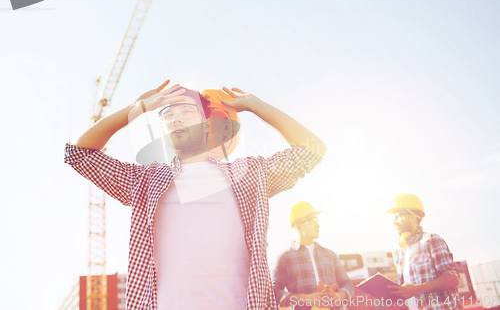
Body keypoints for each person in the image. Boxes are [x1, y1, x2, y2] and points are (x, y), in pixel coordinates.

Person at [64, 80, 326, 310]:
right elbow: (79, 154)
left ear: (206, 124)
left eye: (187, 112)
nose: (176, 119)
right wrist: (136, 108)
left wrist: (257, 106)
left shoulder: (248, 176)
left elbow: (312, 149)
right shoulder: (145, 182)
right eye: (167, 115)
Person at [386, 194, 462, 310]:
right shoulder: (399, 255)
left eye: (398, 216)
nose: (394, 222)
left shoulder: (431, 240)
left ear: (412, 216)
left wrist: (418, 289)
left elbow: (453, 277)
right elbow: (406, 294)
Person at [272, 201, 353, 309]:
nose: (318, 225)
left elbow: (348, 284)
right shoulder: (283, 258)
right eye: (312, 221)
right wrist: (306, 298)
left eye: (317, 220)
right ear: (298, 225)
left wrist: (339, 295)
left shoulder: (330, 255)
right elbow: (275, 294)